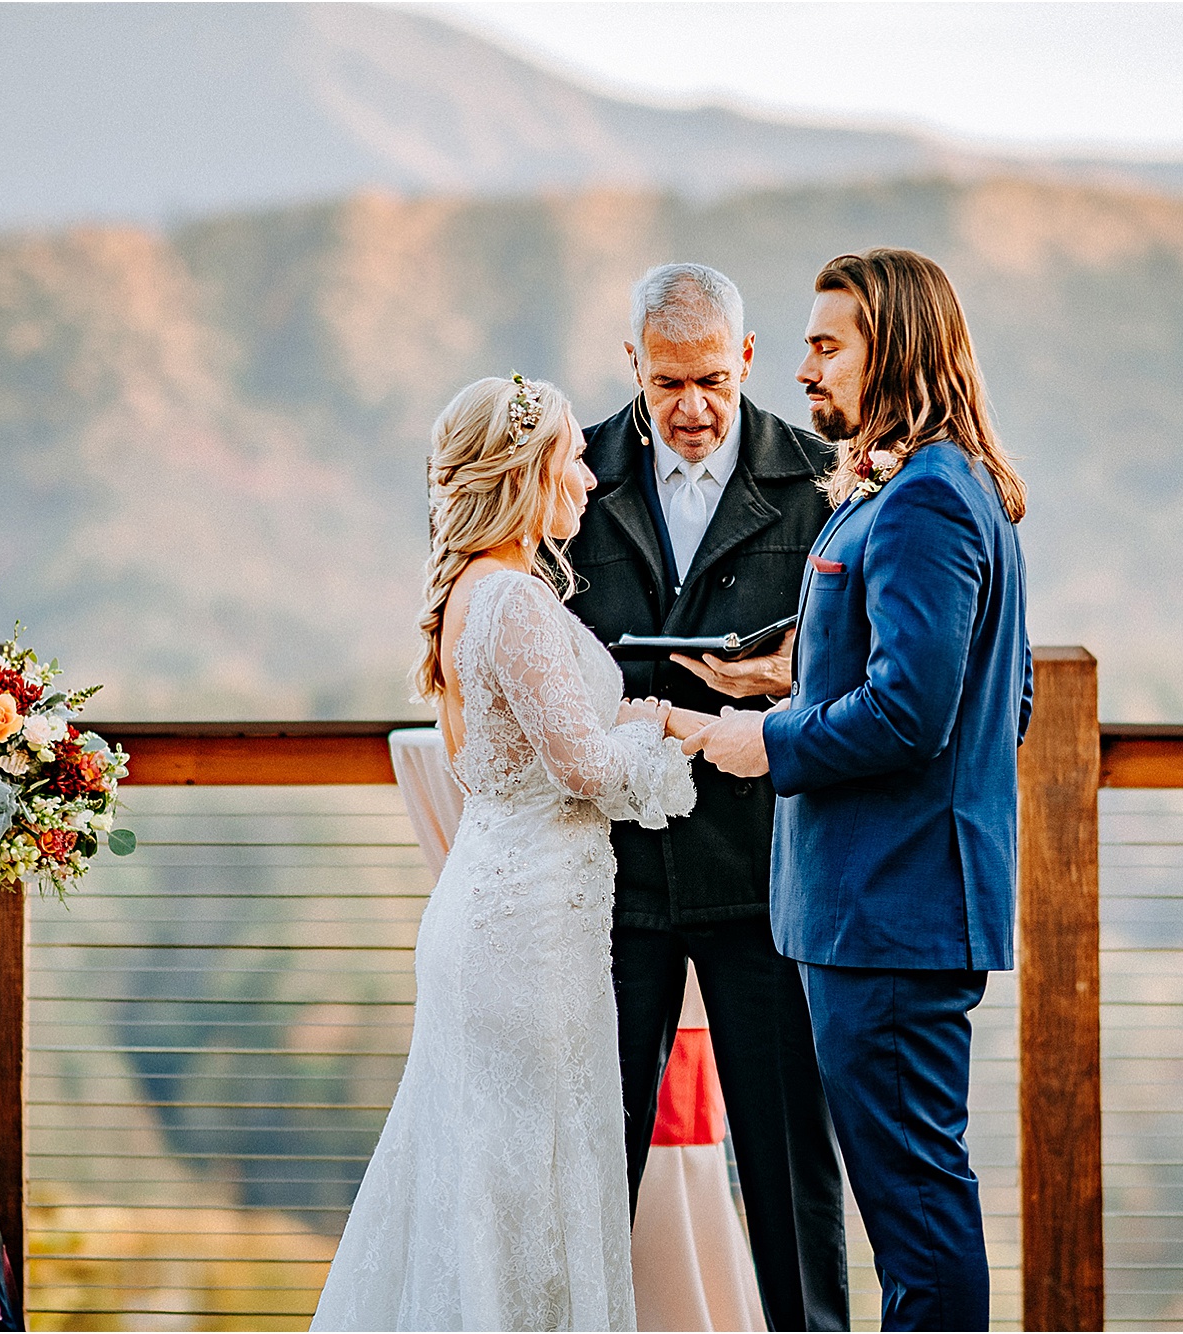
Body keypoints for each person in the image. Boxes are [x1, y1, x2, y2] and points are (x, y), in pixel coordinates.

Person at [312, 375, 704, 1331]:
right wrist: (680, 743)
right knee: (523, 1178)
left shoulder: (474, 596)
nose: (588, 477)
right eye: (572, 456)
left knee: (492, 1171)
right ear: (527, 472)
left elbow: (552, 734)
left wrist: (644, 714)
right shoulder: (516, 604)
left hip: (509, 908)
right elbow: (581, 767)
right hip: (525, 932)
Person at [689, 248, 1031, 1331]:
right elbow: (985, 688)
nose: (800, 370)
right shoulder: (922, 484)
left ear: (896, 349)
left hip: (888, 911)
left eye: (825, 344)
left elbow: (914, 712)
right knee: (912, 1203)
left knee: (915, 1217)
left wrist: (769, 740)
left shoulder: (927, 497)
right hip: (882, 907)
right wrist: (791, 667)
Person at [566, 262, 847, 1331]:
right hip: (615, 878)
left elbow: (860, 655)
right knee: (596, 1153)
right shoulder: (574, 473)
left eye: (711, 382)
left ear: (744, 356)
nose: (690, 408)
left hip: (765, 871)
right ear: (632, 363)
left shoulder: (821, 476)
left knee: (788, 1163)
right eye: (666, 382)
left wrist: (785, 678)